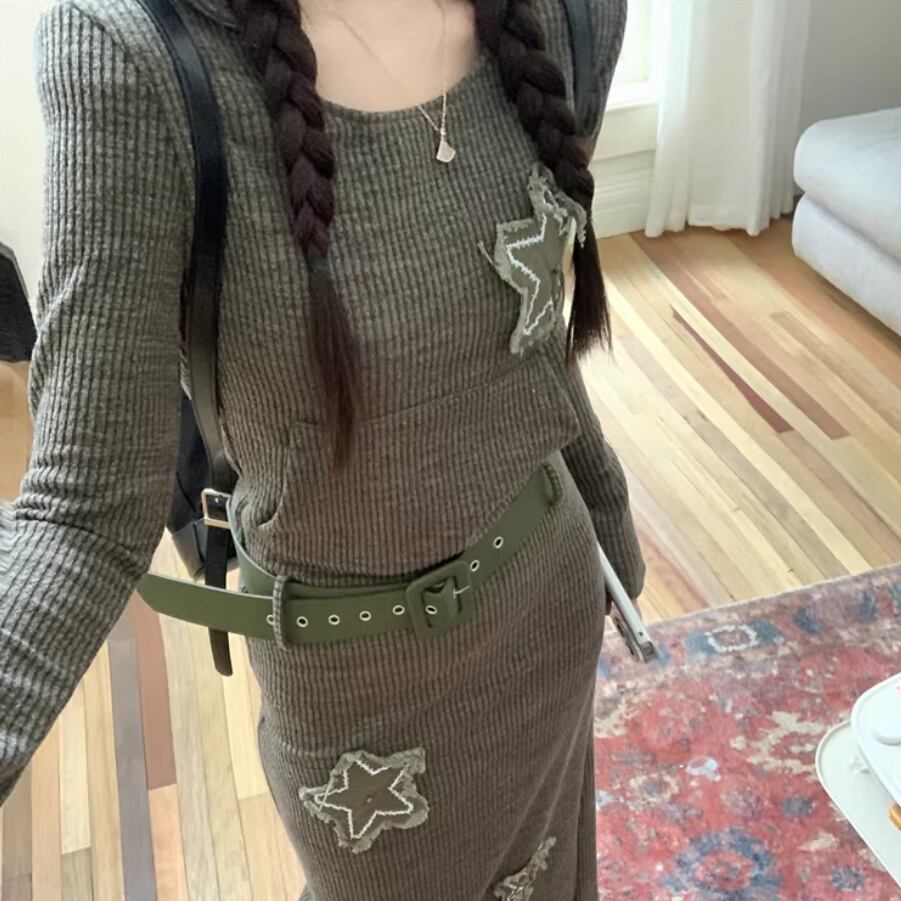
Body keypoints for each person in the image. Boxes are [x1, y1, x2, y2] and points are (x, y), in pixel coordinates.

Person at [0, 0, 645, 897]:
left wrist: (606, 515)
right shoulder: (132, 54)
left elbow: (522, 338)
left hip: (548, 612)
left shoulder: (571, 13)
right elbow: (81, 513)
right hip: (364, 718)